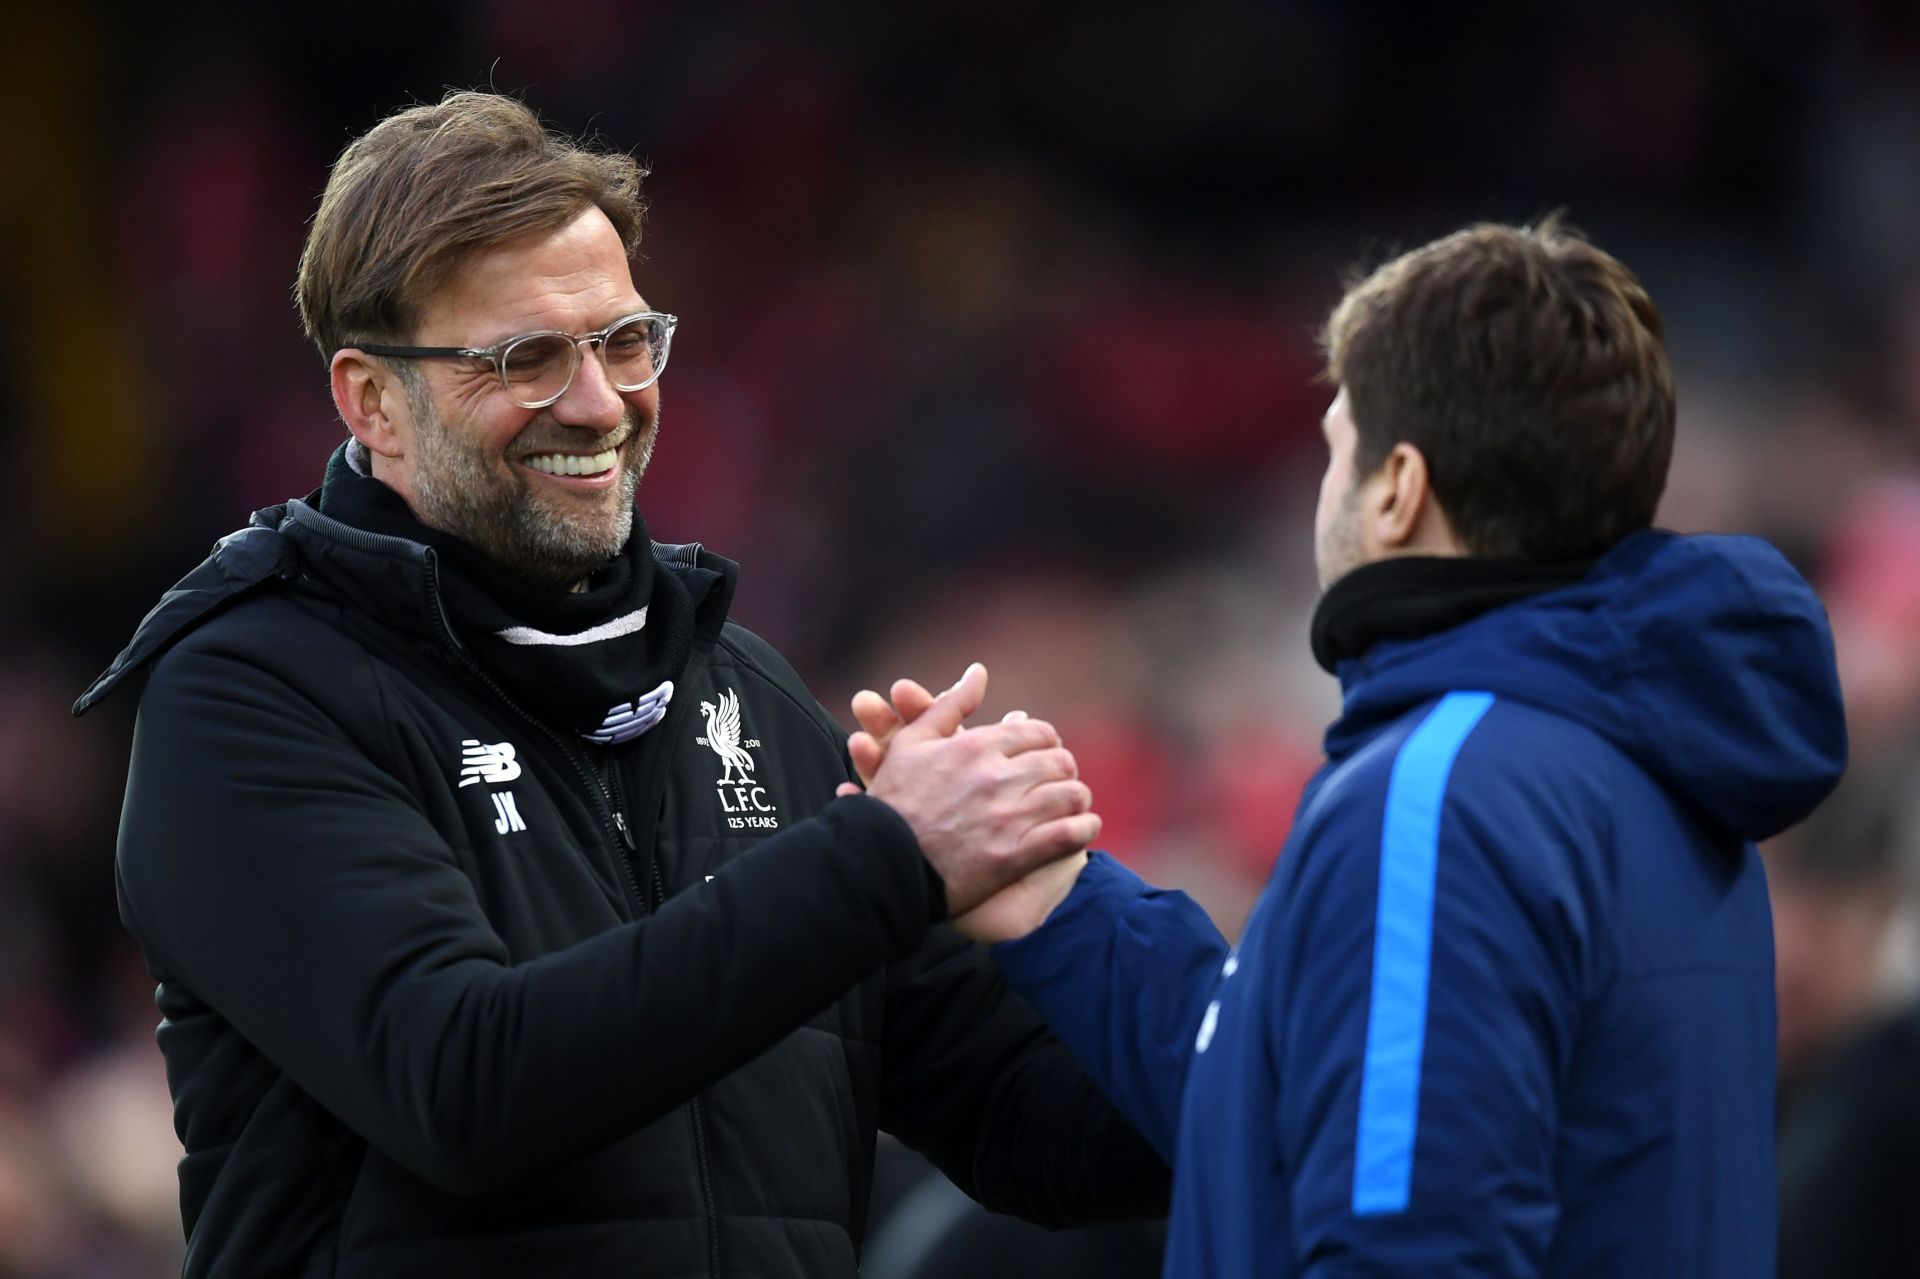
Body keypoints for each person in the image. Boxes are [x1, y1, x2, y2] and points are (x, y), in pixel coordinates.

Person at [72, 91, 1167, 1276]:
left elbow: (1029, 1132)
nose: (599, 403)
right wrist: (888, 859)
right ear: (372, 401)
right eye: (526, 359)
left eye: (624, 341)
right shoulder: (252, 693)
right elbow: (467, 1086)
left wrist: (1190, 1002)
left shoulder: (735, 690)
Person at [850, 219, 1849, 1276]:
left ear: (1399, 487)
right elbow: (1294, 1111)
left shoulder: (1442, 793)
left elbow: (1406, 1245)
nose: (1321, 490)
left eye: (1335, 448)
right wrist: (1060, 905)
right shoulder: (1654, 774)